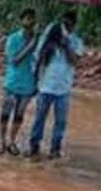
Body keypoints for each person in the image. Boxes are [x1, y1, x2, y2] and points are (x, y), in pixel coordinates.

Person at [26, 11, 84, 159]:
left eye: (69, 24)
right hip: (45, 85)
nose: (66, 27)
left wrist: (66, 46)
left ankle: (55, 149)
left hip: (63, 88)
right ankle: (34, 146)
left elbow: (74, 62)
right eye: (64, 24)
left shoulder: (76, 41)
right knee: (39, 118)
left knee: (61, 121)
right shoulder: (49, 38)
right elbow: (38, 58)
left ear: (73, 26)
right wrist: (35, 81)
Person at [0, 8, 38, 155]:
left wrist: (37, 83)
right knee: (5, 113)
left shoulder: (38, 40)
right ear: (21, 21)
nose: (30, 21)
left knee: (19, 115)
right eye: (27, 18)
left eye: (32, 18)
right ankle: (2, 142)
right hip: (12, 83)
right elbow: (14, 60)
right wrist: (30, 46)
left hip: (28, 84)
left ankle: (12, 141)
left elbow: (40, 62)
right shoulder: (13, 38)